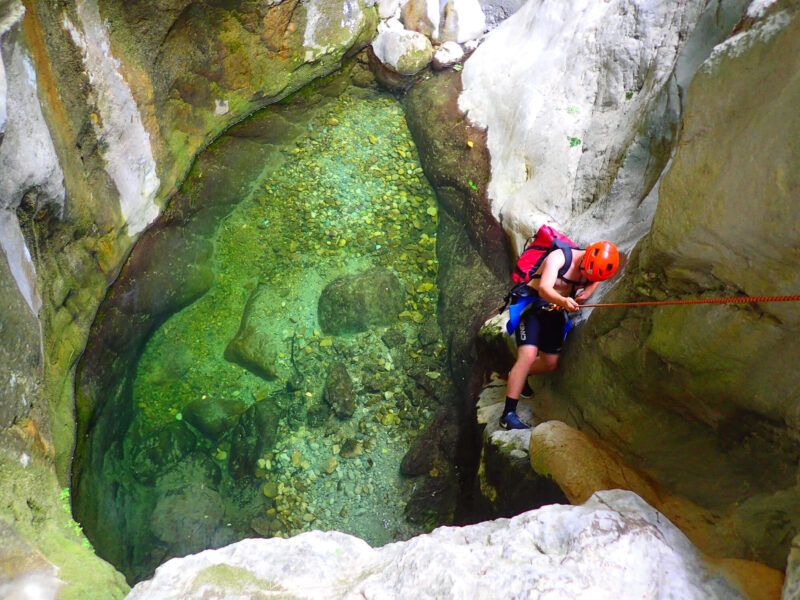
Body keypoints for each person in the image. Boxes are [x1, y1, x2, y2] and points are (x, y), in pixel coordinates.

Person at [500, 240, 620, 430]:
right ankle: (508, 415)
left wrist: (587, 291)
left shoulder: (592, 268)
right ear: (585, 257)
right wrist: (564, 300)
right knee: (528, 356)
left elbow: (597, 278)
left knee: (550, 363)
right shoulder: (559, 258)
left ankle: (518, 375)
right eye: (584, 273)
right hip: (533, 309)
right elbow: (544, 288)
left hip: (554, 313)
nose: (584, 277)